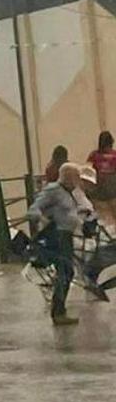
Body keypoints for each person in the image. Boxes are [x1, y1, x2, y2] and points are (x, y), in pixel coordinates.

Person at [28, 163, 85, 326]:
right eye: (76, 177)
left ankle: (59, 309)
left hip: (66, 235)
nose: (78, 181)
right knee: (65, 271)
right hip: (57, 236)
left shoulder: (68, 193)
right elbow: (34, 209)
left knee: (67, 272)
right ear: (68, 177)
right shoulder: (53, 190)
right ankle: (58, 311)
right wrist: (44, 220)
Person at [87, 131, 116, 232]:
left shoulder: (94, 155)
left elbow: (88, 171)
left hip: (102, 192)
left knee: (104, 218)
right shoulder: (113, 155)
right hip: (104, 193)